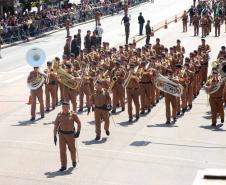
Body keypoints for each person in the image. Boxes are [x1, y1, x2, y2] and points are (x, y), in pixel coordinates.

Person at [53, 101, 81, 171]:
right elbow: (56, 125)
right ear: (62, 108)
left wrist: (78, 132)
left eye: (66, 107)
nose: (65, 108)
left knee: (72, 150)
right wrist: (54, 135)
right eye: (63, 107)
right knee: (62, 150)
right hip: (62, 135)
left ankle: (74, 160)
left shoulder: (73, 114)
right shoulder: (59, 115)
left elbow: (79, 123)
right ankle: (63, 165)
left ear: (69, 108)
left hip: (70, 135)